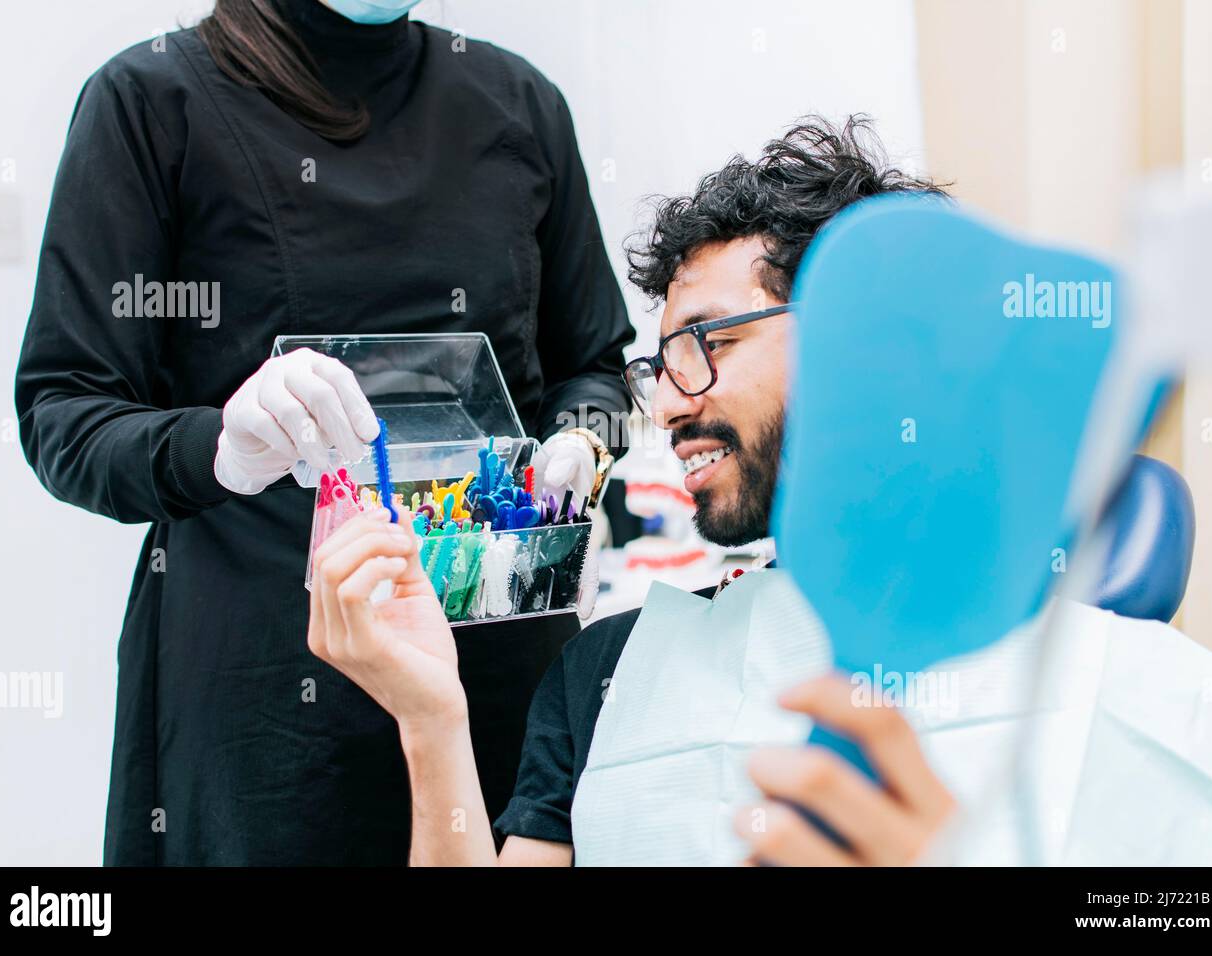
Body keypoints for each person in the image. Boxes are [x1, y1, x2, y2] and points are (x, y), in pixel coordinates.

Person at [15, 0, 632, 865]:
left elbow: (596, 363)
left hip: (497, 670)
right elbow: (65, 412)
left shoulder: (519, 104)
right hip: (270, 703)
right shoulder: (153, 101)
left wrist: (582, 440)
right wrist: (218, 450)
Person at [307, 116, 960, 865]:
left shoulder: (1065, 649)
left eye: (709, 344)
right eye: (661, 364)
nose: (668, 406)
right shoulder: (602, 674)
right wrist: (429, 719)